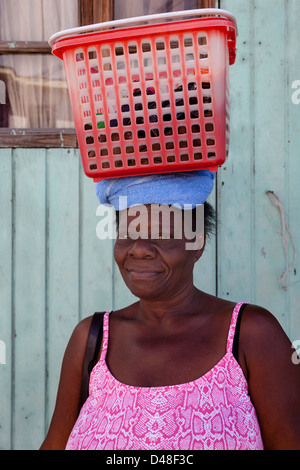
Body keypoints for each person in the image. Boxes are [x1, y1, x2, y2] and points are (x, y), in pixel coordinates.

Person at [40, 171, 300, 450]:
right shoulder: (91, 340)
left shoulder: (252, 334)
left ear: (197, 243)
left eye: (162, 234)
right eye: (127, 234)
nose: (139, 249)